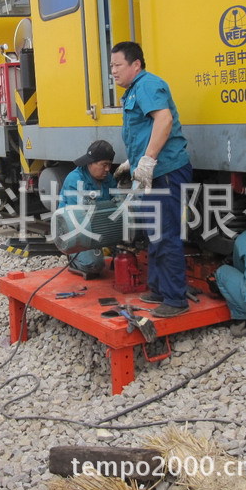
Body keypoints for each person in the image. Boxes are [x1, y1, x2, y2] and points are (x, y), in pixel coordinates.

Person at [110, 41, 192, 318]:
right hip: (153, 172)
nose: (113, 71)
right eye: (111, 66)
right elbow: (143, 131)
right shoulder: (135, 90)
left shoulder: (146, 85)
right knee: (154, 232)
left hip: (165, 171)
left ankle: (175, 299)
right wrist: (134, 161)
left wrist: (149, 160)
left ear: (136, 64)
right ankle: (159, 288)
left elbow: (164, 120)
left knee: (165, 234)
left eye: (118, 65)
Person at [58, 140, 119, 277]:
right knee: (94, 265)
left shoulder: (108, 179)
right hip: (78, 231)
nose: (108, 169)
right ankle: (74, 258)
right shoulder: (76, 180)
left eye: (109, 165)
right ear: (90, 163)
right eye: (104, 165)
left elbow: (117, 205)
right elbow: (79, 219)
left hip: (100, 225)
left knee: (125, 254)